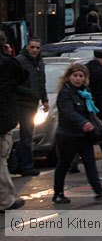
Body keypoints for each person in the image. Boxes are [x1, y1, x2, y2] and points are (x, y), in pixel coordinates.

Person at [51, 63, 102, 204]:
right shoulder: (65, 93)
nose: (78, 79)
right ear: (68, 77)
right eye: (75, 75)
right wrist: (83, 122)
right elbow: (68, 112)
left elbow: (90, 111)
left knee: (90, 163)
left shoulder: (85, 92)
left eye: (81, 76)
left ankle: (99, 191)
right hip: (67, 135)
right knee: (64, 164)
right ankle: (58, 193)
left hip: (84, 136)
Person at [0, 31, 28, 212]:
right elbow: (22, 75)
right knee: (1, 160)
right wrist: (8, 55)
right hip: (3, 119)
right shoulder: (7, 63)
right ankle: (5, 200)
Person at [13, 38, 49, 177]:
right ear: (27, 47)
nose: (34, 50)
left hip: (33, 103)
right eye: (32, 47)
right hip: (22, 103)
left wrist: (44, 99)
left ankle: (17, 163)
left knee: (28, 135)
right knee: (27, 135)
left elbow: (42, 82)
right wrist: (31, 93)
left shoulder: (39, 62)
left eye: (37, 48)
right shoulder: (20, 61)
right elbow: (15, 84)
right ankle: (26, 166)